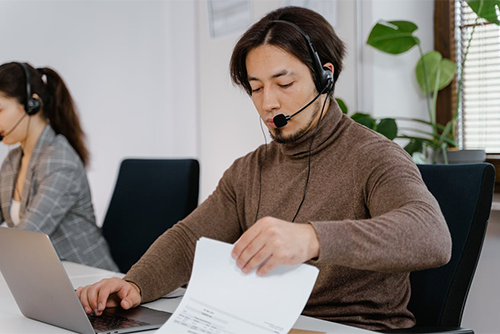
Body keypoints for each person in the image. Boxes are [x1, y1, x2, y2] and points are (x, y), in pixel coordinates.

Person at [76, 6, 451, 331]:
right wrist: (134, 286)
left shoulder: (373, 156)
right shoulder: (250, 170)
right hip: (265, 322)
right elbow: (189, 240)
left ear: (325, 77)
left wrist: (311, 239)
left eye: (284, 83)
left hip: (350, 328)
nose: (268, 102)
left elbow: (431, 236)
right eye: (256, 88)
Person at [0, 62, 118, 272]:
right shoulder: (13, 160)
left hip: (90, 281)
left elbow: (25, 238)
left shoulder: (60, 161)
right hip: (46, 278)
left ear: (32, 104)